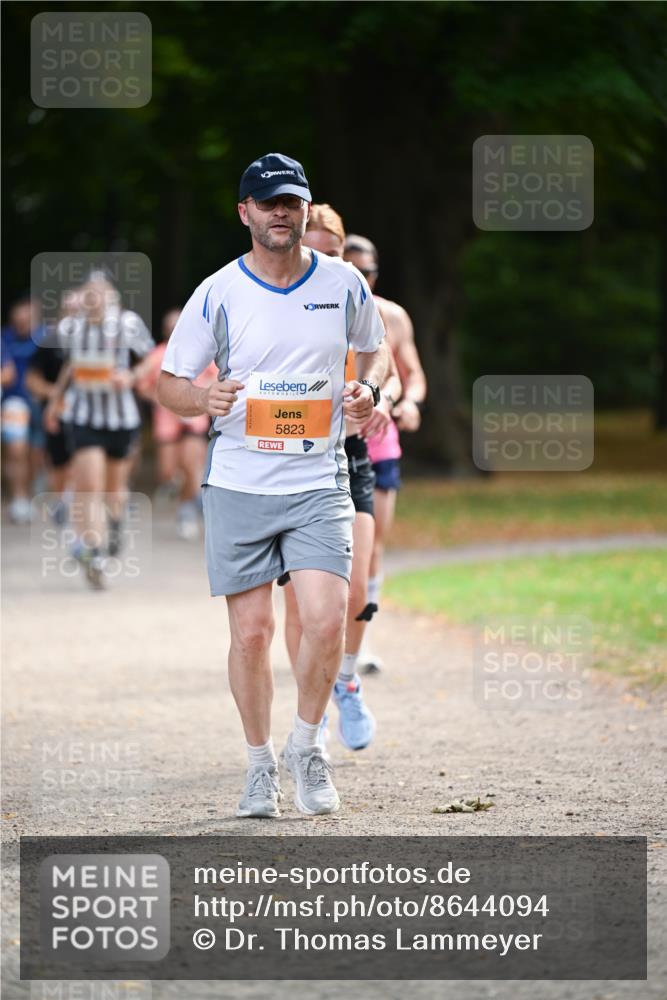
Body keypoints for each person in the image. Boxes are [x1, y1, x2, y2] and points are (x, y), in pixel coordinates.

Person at [157, 153, 388, 818]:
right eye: (267, 203)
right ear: (245, 213)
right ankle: (259, 765)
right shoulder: (217, 291)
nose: (279, 212)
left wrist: (367, 391)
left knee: (324, 619)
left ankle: (307, 747)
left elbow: (378, 355)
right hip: (238, 483)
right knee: (253, 633)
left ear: (304, 208)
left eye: (290, 201)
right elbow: (169, 383)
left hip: (318, 479)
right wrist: (204, 399)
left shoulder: (343, 283)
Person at [279, 204, 401, 751]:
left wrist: (377, 397)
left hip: (349, 457)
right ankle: (313, 713)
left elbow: (389, 367)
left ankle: (345, 681)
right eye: (318, 251)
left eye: (335, 253)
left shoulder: (355, 303)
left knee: (352, 588)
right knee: (299, 605)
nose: (327, 262)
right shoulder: (276, 303)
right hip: (288, 462)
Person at [344, 235, 427, 673]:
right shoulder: (318, 310)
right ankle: (320, 630)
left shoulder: (393, 317)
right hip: (330, 444)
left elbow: (409, 374)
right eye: (350, 267)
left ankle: (363, 639)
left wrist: (404, 402)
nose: (361, 278)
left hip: (380, 446)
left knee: (371, 548)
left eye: (368, 272)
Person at [44, 273, 155, 588]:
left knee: (113, 490)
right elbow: (70, 363)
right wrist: (55, 402)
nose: (93, 298)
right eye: (88, 293)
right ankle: (93, 552)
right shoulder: (71, 327)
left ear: (110, 296)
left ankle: (116, 522)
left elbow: (150, 358)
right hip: (83, 417)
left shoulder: (126, 323)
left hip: (120, 419)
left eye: (100, 292)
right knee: (88, 487)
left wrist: (131, 376)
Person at [136, 308, 216, 540]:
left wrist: (197, 395)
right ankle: (186, 499)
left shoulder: (201, 351)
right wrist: (164, 399)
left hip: (194, 418)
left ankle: (188, 511)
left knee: (192, 465)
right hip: (167, 421)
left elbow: (216, 376)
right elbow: (143, 386)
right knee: (168, 472)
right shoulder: (157, 355)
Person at [1, 296, 47, 523]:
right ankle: (19, 499)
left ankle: (31, 493)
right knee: (17, 449)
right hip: (14, 403)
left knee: (36, 454)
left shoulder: (46, 337)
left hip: (40, 403)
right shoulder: (4, 338)